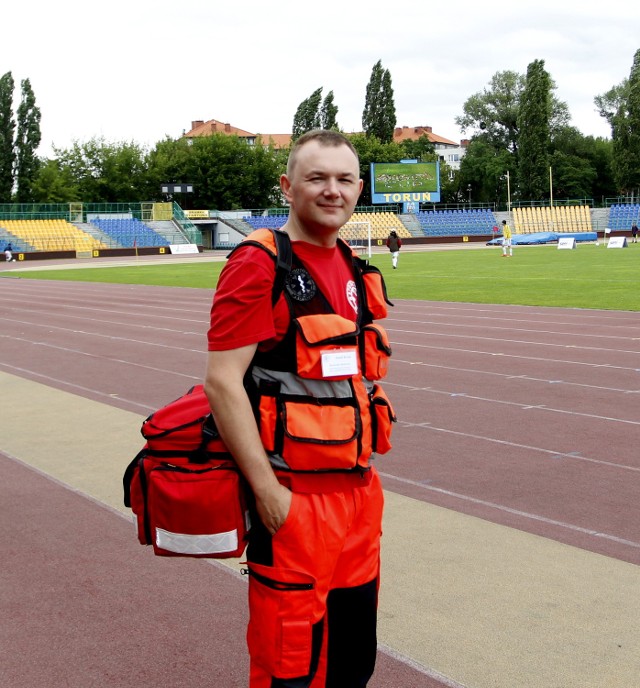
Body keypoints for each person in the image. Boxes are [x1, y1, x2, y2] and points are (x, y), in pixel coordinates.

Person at [204, 130, 395, 688]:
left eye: (344, 179)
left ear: (359, 188)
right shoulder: (260, 265)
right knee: (291, 665)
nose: (332, 191)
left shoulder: (356, 268)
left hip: (358, 497)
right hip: (294, 498)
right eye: (317, 178)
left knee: (353, 655)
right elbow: (222, 384)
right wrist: (266, 492)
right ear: (288, 186)